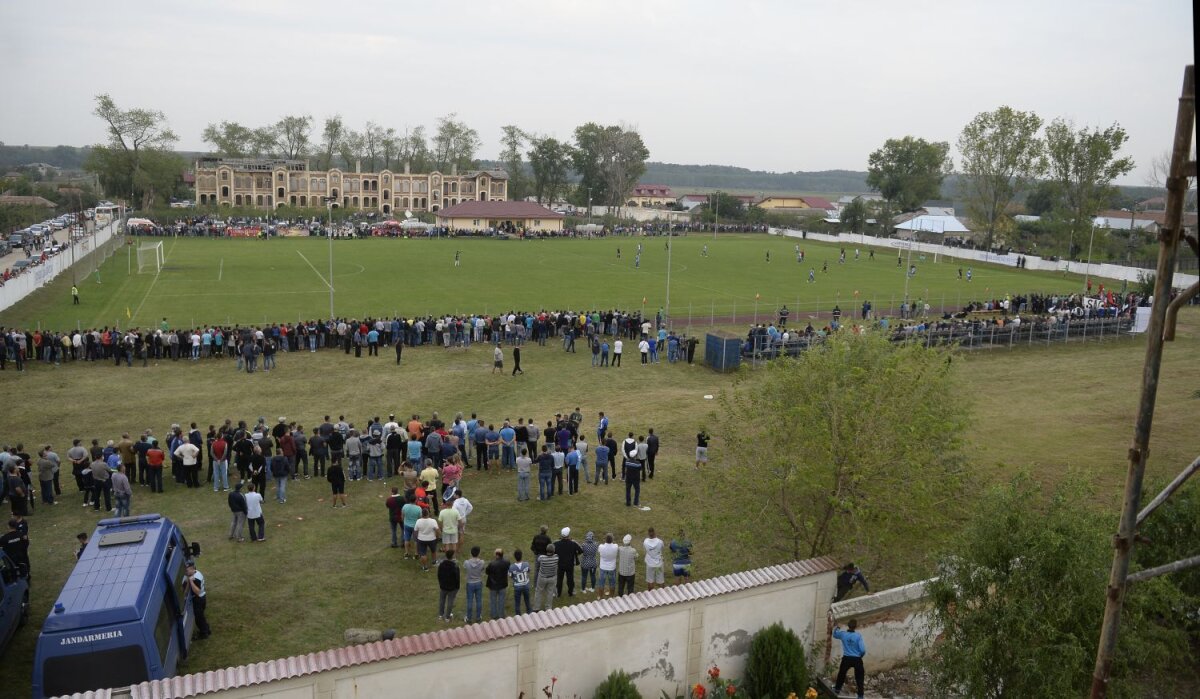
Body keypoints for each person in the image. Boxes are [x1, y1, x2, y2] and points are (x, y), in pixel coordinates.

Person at [833, 618, 867, 699]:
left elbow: (835, 634)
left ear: (848, 626)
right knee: (859, 677)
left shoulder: (843, 634)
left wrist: (838, 627)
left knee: (841, 674)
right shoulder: (858, 636)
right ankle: (860, 695)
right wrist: (860, 656)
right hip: (857, 659)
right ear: (855, 626)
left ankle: (837, 689)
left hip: (846, 658)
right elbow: (863, 650)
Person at [183, 560, 211, 639]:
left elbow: (197, 591)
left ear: (192, 568)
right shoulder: (197, 572)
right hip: (202, 598)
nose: (185, 572)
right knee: (201, 616)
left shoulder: (195, 579)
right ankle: (207, 629)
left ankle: (203, 634)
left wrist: (191, 582)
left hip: (199, 599)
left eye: (187, 570)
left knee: (198, 618)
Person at [555, 527, 582, 598]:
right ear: (568, 535)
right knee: (570, 579)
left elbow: (552, 552)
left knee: (559, 579)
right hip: (570, 564)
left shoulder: (556, 543)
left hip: (560, 564)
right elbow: (581, 550)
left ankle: (558, 593)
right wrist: (575, 554)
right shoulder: (573, 543)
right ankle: (570, 592)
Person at [463, 546, 485, 623]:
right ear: (478, 553)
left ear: (471, 553)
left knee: (470, 600)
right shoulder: (482, 562)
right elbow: (482, 569)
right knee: (479, 600)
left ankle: (469, 618)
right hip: (478, 582)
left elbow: (465, 567)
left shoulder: (466, 562)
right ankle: (478, 617)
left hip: (470, 583)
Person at [486, 548, 510, 619]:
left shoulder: (492, 564)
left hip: (493, 585)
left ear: (497, 555)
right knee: (501, 600)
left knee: (493, 600)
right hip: (502, 584)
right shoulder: (507, 562)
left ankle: (494, 615)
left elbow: (487, 572)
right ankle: (501, 615)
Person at [437, 549, 460, 622]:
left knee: (442, 600)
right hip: (452, 588)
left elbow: (439, 575)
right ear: (452, 556)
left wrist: (441, 583)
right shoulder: (455, 566)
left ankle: (440, 615)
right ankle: (447, 617)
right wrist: (457, 587)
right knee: (450, 602)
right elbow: (457, 578)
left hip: (443, 586)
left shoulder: (441, 565)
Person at [533, 543, 558, 611]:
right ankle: (548, 607)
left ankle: (536, 608)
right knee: (550, 592)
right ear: (553, 551)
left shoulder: (542, 558)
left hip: (542, 578)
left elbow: (538, 560)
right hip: (552, 578)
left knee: (539, 591)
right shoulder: (556, 558)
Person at [414, 507, 439, 571]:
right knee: (433, 551)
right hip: (432, 539)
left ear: (422, 514)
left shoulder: (418, 521)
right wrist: (437, 537)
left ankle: (425, 567)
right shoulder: (433, 521)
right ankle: (434, 561)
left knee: (423, 554)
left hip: (421, 539)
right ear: (428, 513)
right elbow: (437, 530)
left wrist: (417, 537)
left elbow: (415, 531)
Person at [510, 549, 532, 614]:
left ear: (514, 557)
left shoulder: (512, 567)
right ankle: (529, 613)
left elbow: (510, 576)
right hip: (526, 585)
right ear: (521, 556)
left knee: (517, 602)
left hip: (517, 586)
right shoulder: (526, 564)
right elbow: (529, 570)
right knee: (527, 600)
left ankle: (518, 615)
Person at [597, 533, 618, 598]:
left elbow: (599, 551)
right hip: (612, 568)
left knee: (601, 583)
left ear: (605, 539)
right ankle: (611, 596)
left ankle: (600, 596)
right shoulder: (616, 546)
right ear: (612, 540)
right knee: (612, 583)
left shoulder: (601, 546)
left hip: (603, 567)